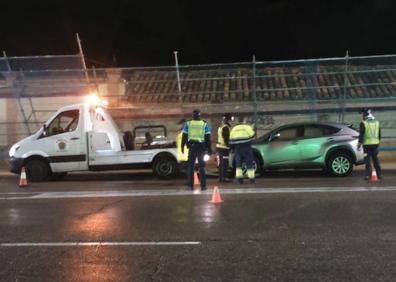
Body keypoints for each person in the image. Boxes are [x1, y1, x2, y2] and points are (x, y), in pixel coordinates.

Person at [181, 109, 212, 191]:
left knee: (190, 166)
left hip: (192, 146)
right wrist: (209, 148)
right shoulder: (204, 124)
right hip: (201, 147)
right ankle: (203, 186)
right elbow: (208, 137)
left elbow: (184, 136)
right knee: (201, 167)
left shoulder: (188, 123)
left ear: (192, 115)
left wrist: (182, 146)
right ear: (200, 115)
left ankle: (190, 186)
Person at [230, 116, 255, 184]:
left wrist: (232, 148)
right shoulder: (247, 127)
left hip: (237, 149)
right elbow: (253, 135)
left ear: (237, 121)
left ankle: (240, 179)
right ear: (244, 121)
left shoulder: (234, 129)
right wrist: (252, 129)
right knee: (249, 163)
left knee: (238, 164)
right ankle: (252, 179)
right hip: (246, 147)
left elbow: (231, 140)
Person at [358, 108, 382, 180]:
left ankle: (367, 175)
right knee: (375, 159)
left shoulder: (363, 123)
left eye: (362, 114)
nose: (361, 116)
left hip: (367, 145)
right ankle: (379, 174)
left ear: (365, 115)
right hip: (375, 144)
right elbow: (379, 134)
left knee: (367, 160)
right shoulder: (377, 122)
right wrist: (378, 141)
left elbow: (361, 135)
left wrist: (359, 144)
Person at [216, 113, 233, 182]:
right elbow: (226, 139)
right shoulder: (226, 128)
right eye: (231, 119)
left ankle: (221, 177)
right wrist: (229, 146)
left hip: (220, 147)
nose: (231, 121)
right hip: (224, 148)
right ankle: (224, 178)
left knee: (221, 163)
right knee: (224, 163)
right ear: (228, 120)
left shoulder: (221, 126)